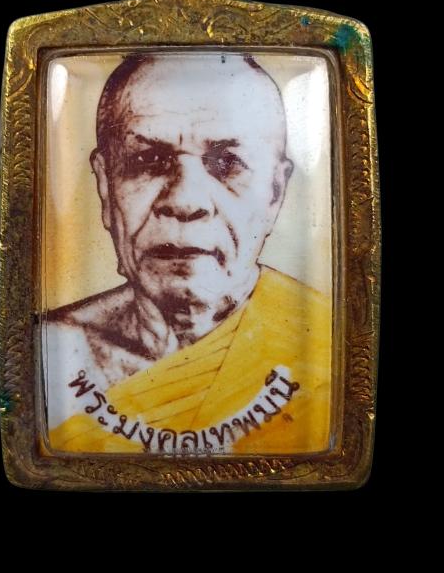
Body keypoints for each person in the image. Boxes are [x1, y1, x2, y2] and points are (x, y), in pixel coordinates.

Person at [43, 53, 332, 455]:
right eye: (147, 160)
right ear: (106, 187)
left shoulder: (327, 347)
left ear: (274, 195)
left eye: (227, 163)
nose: (184, 201)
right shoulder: (49, 350)